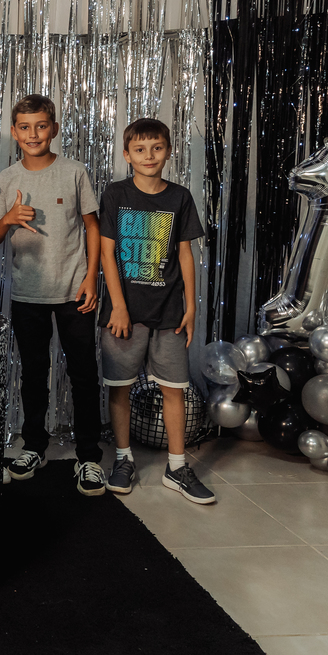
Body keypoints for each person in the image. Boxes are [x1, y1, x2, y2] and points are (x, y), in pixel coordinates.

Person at [0, 95, 105, 496]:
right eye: (25, 127)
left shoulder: (74, 171)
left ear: (54, 128)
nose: (33, 134)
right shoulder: (6, 179)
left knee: (83, 373)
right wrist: (8, 219)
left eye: (41, 126)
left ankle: (89, 456)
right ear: (14, 132)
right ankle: (34, 446)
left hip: (74, 290)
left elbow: (92, 226)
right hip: (28, 293)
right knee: (33, 374)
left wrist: (91, 278)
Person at [100, 118, 215, 504]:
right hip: (124, 314)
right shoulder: (116, 194)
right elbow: (107, 253)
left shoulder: (179, 197)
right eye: (140, 149)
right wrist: (118, 306)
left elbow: (185, 254)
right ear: (127, 155)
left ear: (168, 151)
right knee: (120, 387)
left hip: (168, 312)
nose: (149, 156)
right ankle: (123, 458)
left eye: (157, 148)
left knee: (174, 389)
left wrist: (191, 307)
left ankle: (177, 467)